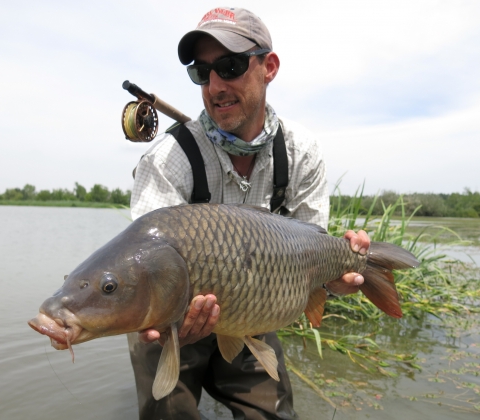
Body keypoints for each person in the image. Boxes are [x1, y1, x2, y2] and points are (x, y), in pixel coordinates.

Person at [127, 7, 370, 419]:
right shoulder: (169, 158)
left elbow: (310, 257)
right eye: (202, 73)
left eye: (231, 66)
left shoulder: (300, 151)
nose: (216, 86)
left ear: (269, 67)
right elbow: (144, 267)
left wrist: (334, 280)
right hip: (175, 322)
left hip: (254, 309)